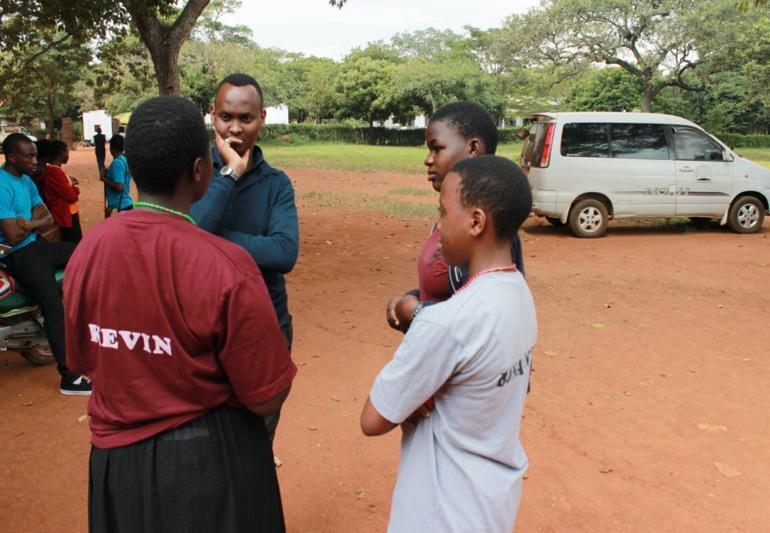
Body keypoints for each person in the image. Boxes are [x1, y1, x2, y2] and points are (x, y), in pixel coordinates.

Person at [64, 96, 296, 533]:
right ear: (199, 169)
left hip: (118, 467)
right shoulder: (226, 264)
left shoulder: (88, 251)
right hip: (208, 465)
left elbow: (79, 360)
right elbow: (265, 395)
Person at [361, 155, 537, 533]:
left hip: (441, 512)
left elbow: (373, 419)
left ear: (476, 221)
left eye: (443, 213)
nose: (437, 227)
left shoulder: (446, 323)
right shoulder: (519, 294)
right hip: (490, 503)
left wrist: (412, 399)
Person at [191, 73, 299, 441]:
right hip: (201, 326)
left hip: (265, 321)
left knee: (257, 439)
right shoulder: (194, 173)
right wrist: (229, 174)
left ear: (262, 118)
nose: (235, 129)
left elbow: (284, 252)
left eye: (246, 118)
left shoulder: (276, 183)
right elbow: (186, 236)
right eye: (225, 117)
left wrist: (210, 237)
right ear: (212, 116)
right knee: (205, 438)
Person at [386, 102, 525, 333]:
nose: (428, 160)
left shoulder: (483, 232)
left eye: (437, 148)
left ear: (472, 148)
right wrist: (409, 299)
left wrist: (417, 312)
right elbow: (445, 292)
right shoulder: (453, 222)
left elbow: (485, 319)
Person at [0, 133, 90, 394]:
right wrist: (30, 225)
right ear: (12, 156)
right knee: (51, 305)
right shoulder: (2, 185)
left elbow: (48, 219)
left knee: (85, 252)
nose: (34, 160)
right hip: (17, 255)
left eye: (35, 155)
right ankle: (69, 377)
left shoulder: (26, 181)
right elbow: (14, 236)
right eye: (28, 156)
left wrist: (30, 224)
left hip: (36, 245)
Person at [40, 140, 82, 243]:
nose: (68, 155)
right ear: (61, 153)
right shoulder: (55, 172)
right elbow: (71, 197)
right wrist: (75, 189)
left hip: (68, 213)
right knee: (73, 245)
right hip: (67, 215)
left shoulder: (55, 170)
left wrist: (71, 188)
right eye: (67, 152)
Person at [101, 134, 133, 215]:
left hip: (120, 207)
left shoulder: (117, 163)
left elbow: (119, 187)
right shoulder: (125, 160)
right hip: (125, 203)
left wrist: (103, 178)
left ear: (111, 148)